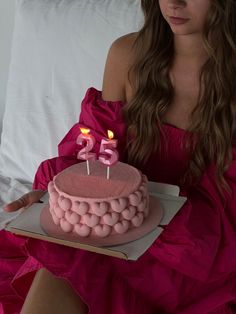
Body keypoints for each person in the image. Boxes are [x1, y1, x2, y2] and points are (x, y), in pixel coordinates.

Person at [2, 0, 236, 313]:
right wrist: (60, 199)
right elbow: (95, 155)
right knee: (62, 259)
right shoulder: (128, 55)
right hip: (112, 230)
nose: (175, 3)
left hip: (196, 250)